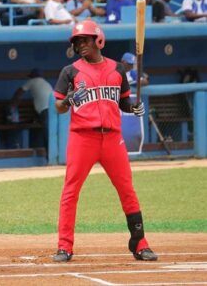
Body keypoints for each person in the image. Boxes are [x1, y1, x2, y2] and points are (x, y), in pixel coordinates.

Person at [52, 20, 158, 263]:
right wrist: (68, 99)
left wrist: (134, 107)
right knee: (70, 192)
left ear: (98, 39)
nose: (81, 45)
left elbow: (123, 103)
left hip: (112, 139)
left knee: (127, 190)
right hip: (82, 138)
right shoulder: (70, 71)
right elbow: (58, 107)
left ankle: (140, 243)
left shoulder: (117, 69)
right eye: (77, 41)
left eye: (85, 40)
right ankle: (64, 246)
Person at [9, 68, 52, 149]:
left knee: (48, 134)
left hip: (45, 111)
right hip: (54, 109)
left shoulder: (32, 81)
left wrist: (12, 105)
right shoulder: (46, 83)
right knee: (52, 133)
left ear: (33, 76)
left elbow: (19, 92)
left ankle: (50, 157)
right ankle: (54, 156)